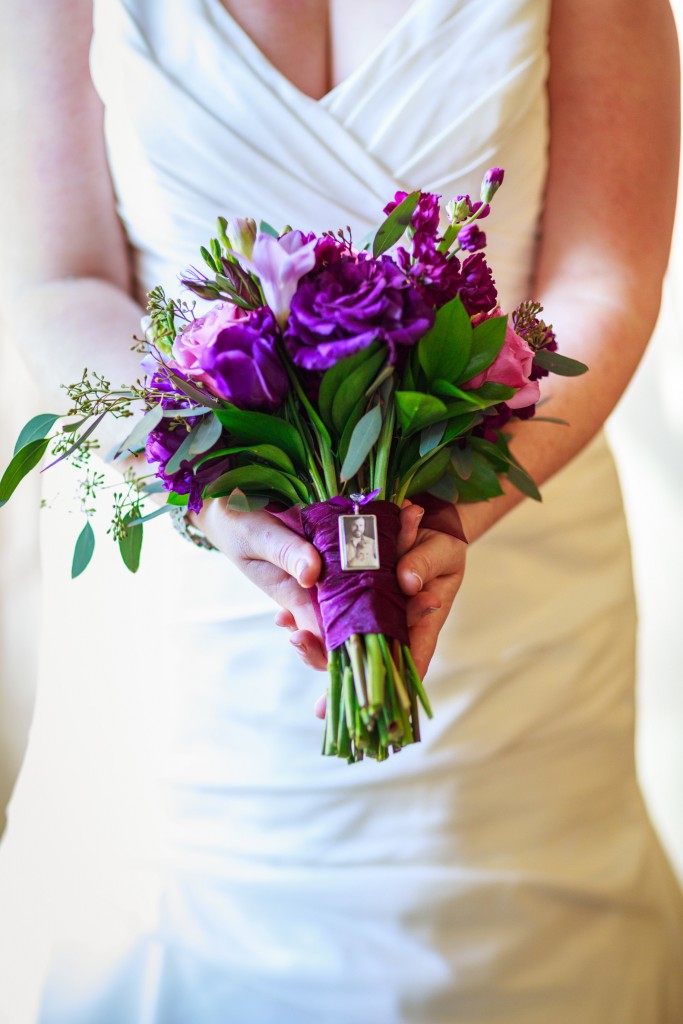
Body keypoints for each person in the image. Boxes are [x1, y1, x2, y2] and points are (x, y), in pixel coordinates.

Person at [0, 1, 682, 1021]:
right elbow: (65, 280)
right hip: (193, 655)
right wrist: (212, 493)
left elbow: (595, 276)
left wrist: (460, 494)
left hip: (518, 613)